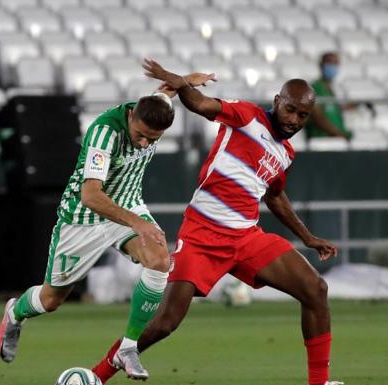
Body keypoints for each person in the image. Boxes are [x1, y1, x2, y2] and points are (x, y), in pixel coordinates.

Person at [94, 59, 342, 385]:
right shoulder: (247, 116)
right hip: (202, 235)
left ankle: (319, 383)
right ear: (277, 101)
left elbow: (275, 196)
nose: (294, 120)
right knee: (165, 322)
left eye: (303, 115)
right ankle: (99, 373)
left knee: (315, 289)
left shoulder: (286, 153)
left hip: (247, 238)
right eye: (290, 110)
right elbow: (199, 103)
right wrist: (177, 81)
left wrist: (307, 237)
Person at [0, 71, 216, 381]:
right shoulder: (104, 133)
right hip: (84, 219)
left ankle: (128, 347)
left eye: (151, 139)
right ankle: (15, 312)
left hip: (127, 205)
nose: (142, 142)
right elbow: (91, 196)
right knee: (50, 300)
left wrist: (188, 80)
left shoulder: (153, 109)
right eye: (139, 134)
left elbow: (166, 90)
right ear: (131, 116)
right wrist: (138, 223)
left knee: (160, 261)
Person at [306, 52, 353, 140]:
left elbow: (335, 110)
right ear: (321, 65)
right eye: (329, 62)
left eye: (335, 63)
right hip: (322, 140)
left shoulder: (331, 90)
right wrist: (340, 134)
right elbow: (318, 117)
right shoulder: (314, 88)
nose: (332, 66)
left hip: (336, 140)